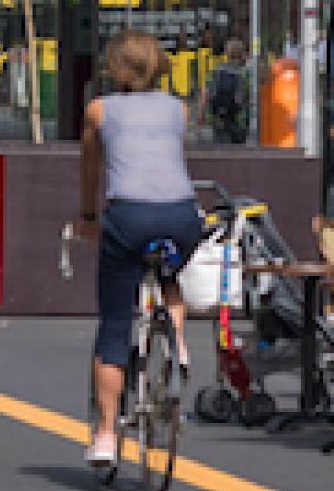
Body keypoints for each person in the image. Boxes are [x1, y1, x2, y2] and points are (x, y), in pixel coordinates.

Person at [71, 31, 208, 468]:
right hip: (182, 216)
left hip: (129, 216)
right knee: (170, 275)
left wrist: (89, 216)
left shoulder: (99, 110)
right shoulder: (178, 110)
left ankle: (108, 434)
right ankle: (178, 340)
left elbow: (91, 169)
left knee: (114, 323)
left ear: (116, 68)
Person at [204, 39, 254, 147]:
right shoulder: (246, 73)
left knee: (221, 149)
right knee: (239, 150)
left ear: (226, 53)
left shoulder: (216, 71)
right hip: (239, 120)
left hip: (219, 117)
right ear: (242, 54)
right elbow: (249, 95)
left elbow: (206, 94)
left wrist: (202, 115)